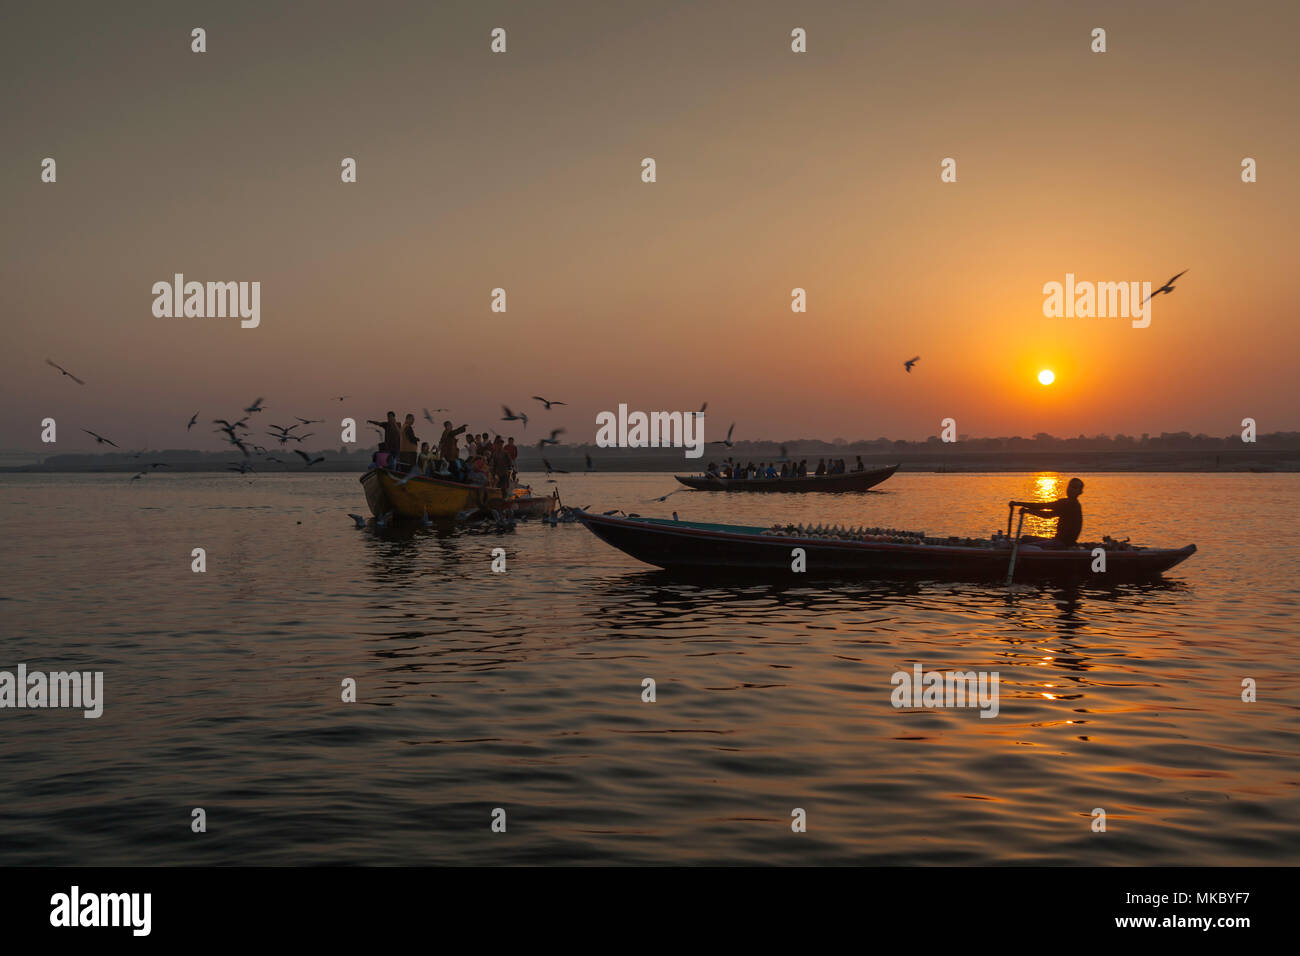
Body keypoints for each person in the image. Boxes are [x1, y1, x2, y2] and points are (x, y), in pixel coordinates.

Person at [1009, 478, 1085, 546]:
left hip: (1063, 543)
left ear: (1080, 492)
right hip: (1057, 540)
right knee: (1025, 538)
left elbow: (1043, 506)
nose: (1070, 490)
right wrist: (1025, 509)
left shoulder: (1070, 504)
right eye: (1070, 487)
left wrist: (1021, 505)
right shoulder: (1065, 503)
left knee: (1027, 546)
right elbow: (1048, 515)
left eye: (1074, 488)